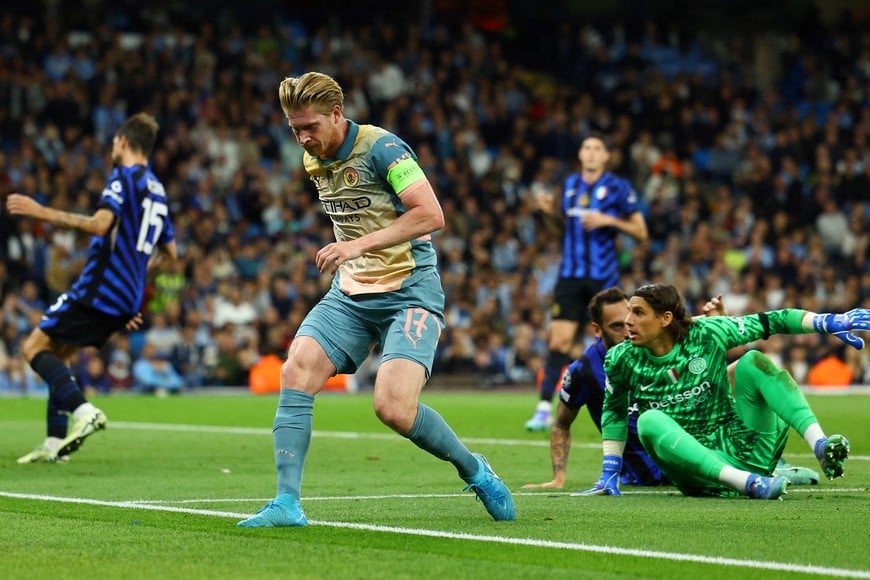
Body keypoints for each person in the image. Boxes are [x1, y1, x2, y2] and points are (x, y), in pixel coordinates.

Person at [237, 71, 514, 527]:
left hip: (409, 290)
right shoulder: (314, 159)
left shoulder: (385, 148)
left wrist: (357, 246)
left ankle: (475, 469)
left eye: (311, 126)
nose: (304, 139)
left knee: (393, 408)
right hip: (351, 292)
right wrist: (353, 256)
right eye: (295, 129)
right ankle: (287, 503)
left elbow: (432, 214)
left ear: (337, 114)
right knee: (296, 369)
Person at [579, 283, 868, 499]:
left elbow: (774, 320)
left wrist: (829, 321)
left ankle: (819, 443)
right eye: (629, 312)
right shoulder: (621, 358)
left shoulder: (706, 332)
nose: (628, 321)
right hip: (697, 474)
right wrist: (608, 474)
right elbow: (614, 412)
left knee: (753, 362)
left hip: (745, 448)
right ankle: (749, 483)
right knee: (648, 421)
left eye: (637, 312)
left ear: (665, 318)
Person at [522, 288, 819, 491]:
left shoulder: (657, 344)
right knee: (657, 420)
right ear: (597, 330)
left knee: (746, 369)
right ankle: (767, 471)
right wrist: (559, 476)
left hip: (701, 448)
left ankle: (773, 464)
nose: (627, 327)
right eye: (616, 325)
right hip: (651, 472)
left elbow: (694, 339)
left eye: (633, 315)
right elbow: (561, 423)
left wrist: (721, 323)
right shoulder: (586, 370)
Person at [9, 112, 177, 463]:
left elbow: (101, 225)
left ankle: (83, 411)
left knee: (33, 346)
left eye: (115, 141)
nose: (113, 146)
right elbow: (171, 254)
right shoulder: (158, 190)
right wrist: (132, 288)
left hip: (99, 289)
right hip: (126, 297)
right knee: (61, 354)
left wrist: (41, 212)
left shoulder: (124, 177)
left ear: (124, 142)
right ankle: (55, 443)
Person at [525, 132, 648, 431]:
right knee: (559, 341)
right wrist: (547, 214)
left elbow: (641, 232)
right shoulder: (568, 186)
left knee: (619, 341)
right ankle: (543, 408)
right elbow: (563, 230)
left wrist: (610, 221)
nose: (591, 153)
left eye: (597, 149)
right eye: (587, 148)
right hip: (569, 276)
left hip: (604, 279)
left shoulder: (618, 188)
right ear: (580, 155)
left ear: (606, 156)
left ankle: (636, 398)